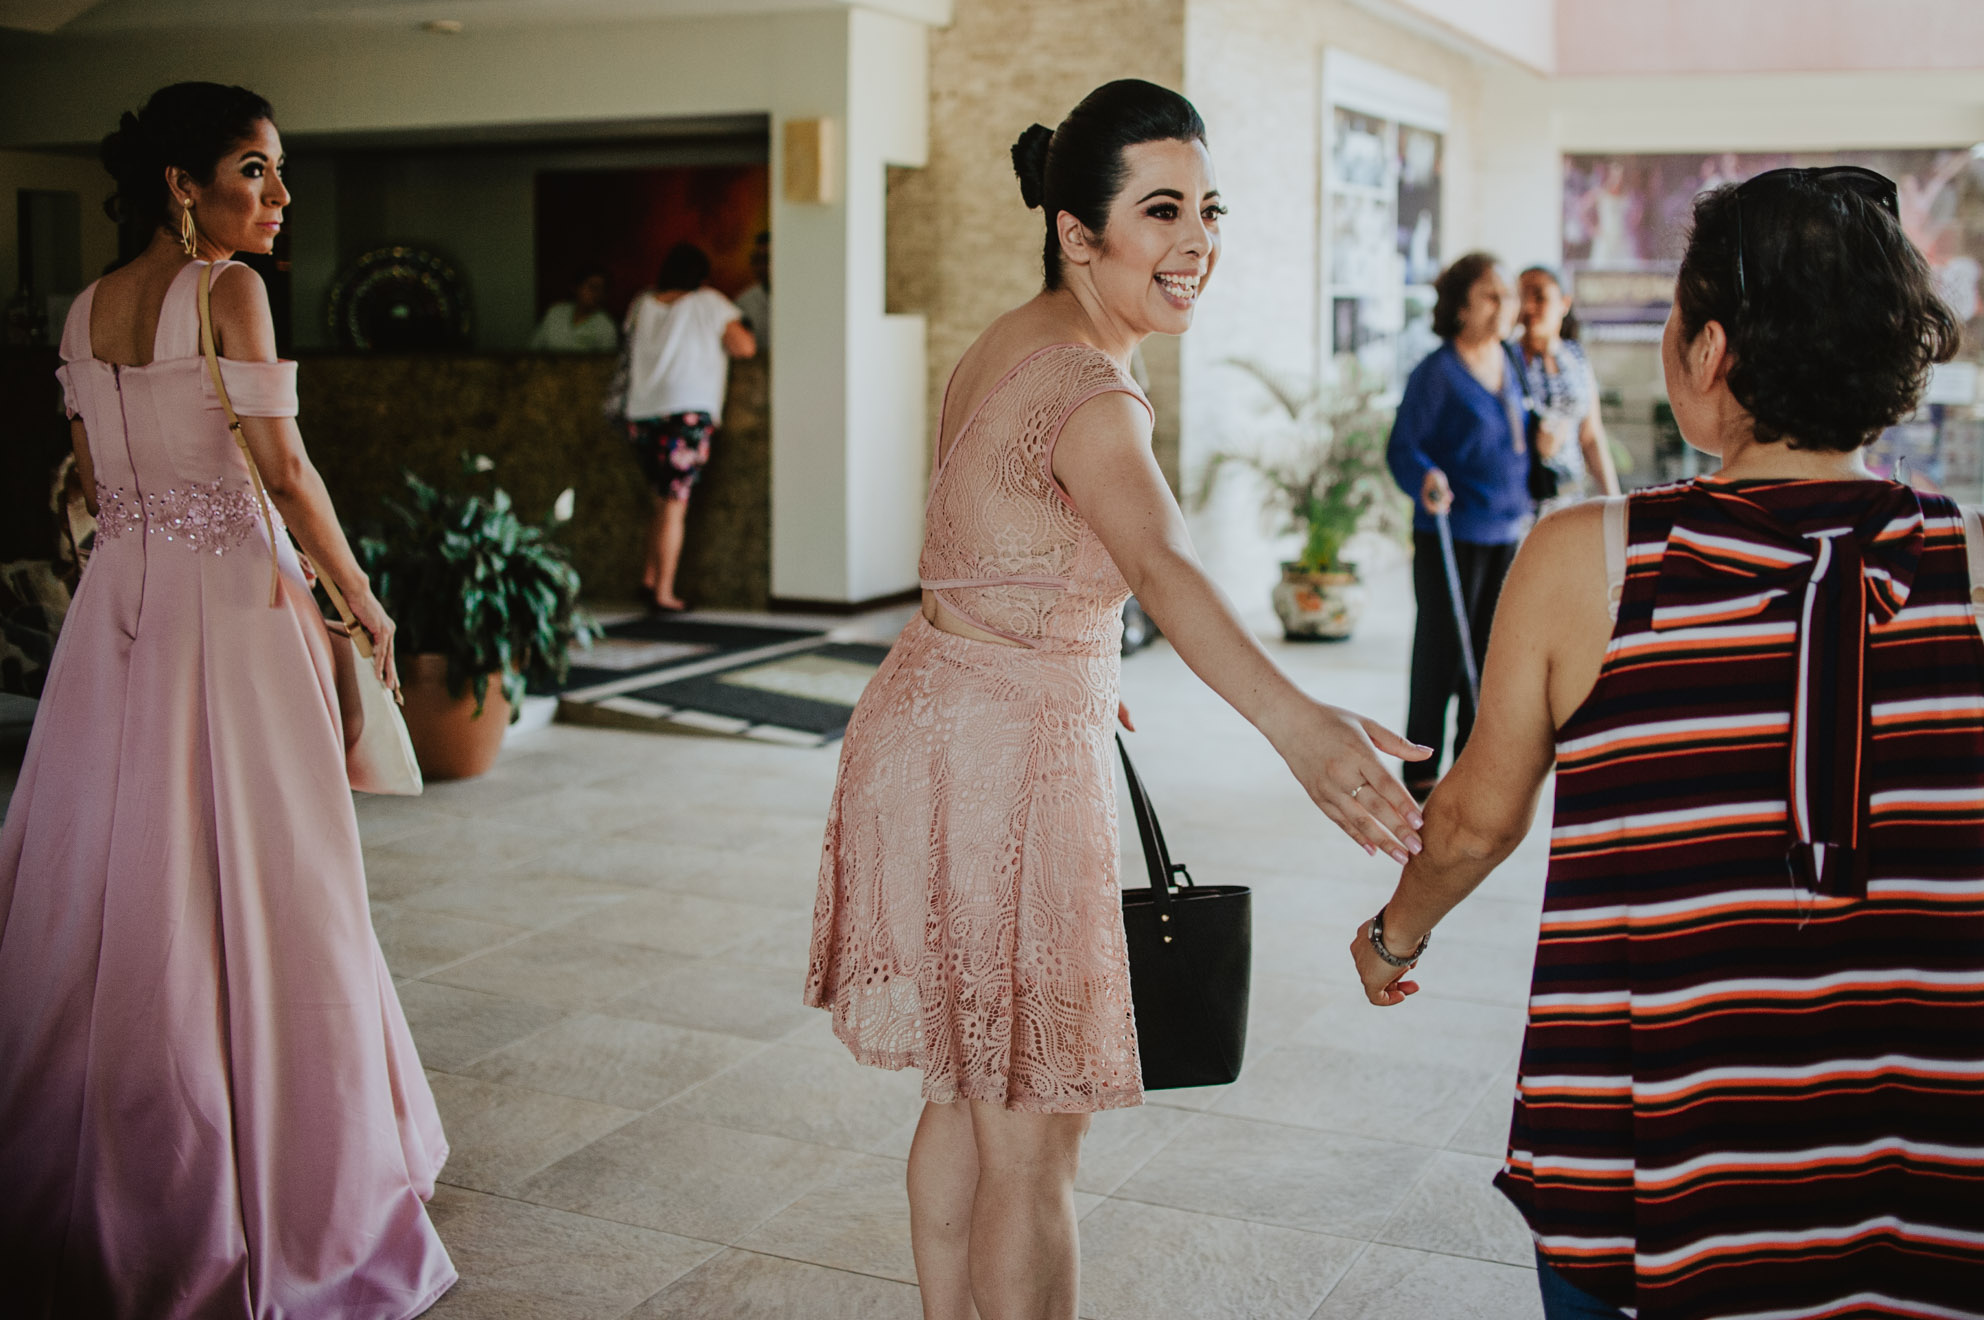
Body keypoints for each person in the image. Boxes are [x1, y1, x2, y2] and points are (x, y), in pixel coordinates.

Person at [804, 80, 1430, 1320]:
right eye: (1160, 211)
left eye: (1208, 208)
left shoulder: (1011, 338)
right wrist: (1298, 723)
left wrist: (1070, 656)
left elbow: (996, 550)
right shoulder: (1090, 387)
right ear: (1076, 233)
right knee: (1034, 1131)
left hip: (938, 724)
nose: (1196, 240)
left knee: (966, 1087)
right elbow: (1161, 567)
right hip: (994, 763)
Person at [1350, 168, 1980, 1319]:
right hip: (1915, 1132)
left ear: (1710, 353)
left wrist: (1394, 935)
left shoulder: (1588, 559)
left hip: (1652, 1142)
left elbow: (1481, 819)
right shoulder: (1961, 560)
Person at [0, 83, 455, 1316]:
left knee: (116, 879)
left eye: (277, 171)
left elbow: (92, 482)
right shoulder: (228, 293)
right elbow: (287, 469)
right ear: (181, 187)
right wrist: (360, 595)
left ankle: (117, 1163)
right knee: (274, 874)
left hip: (120, 618)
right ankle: (285, 1174)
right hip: (235, 615)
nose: (278, 196)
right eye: (254, 170)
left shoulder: (87, 308)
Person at [1386, 252, 1529, 802]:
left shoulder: (1511, 360)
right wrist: (1426, 476)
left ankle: (1475, 763)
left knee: (1496, 653)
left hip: (1505, 530)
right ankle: (1421, 769)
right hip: (1450, 533)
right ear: (1462, 305)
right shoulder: (1437, 373)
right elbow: (1402, 448)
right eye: (1491, 296)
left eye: (1509, 296)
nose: (1504, 308)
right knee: (1443, 652)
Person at [620, 241, 755, 611]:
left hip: (642, 413)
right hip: (686, 414)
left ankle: (649, 578)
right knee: (675, 505)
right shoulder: (708, 302)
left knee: (660, 502)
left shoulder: (641, 304)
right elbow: (744, 347)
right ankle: (664, 592)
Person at [1515, 264, 1620, 513]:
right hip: (1523, 503)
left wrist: (1615, 501)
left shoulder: (1576, 358)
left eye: (1539, 297)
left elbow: (1591, 436)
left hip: (1569, 498)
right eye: (1522, 297)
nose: (1529, 306)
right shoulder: (1507, 359)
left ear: (1564, 303)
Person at [527, 265, 618, 352]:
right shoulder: (555, 313)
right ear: (576, 287)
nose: (597, 294)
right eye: (593, 287)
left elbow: (606, 362)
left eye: (602, 289)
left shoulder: (606, 325)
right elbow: (534, 349)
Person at [734, 229, 770, 349]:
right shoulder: (744, 301)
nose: (761, 266)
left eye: (766, 259)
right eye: (757, 260)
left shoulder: (797, 297)